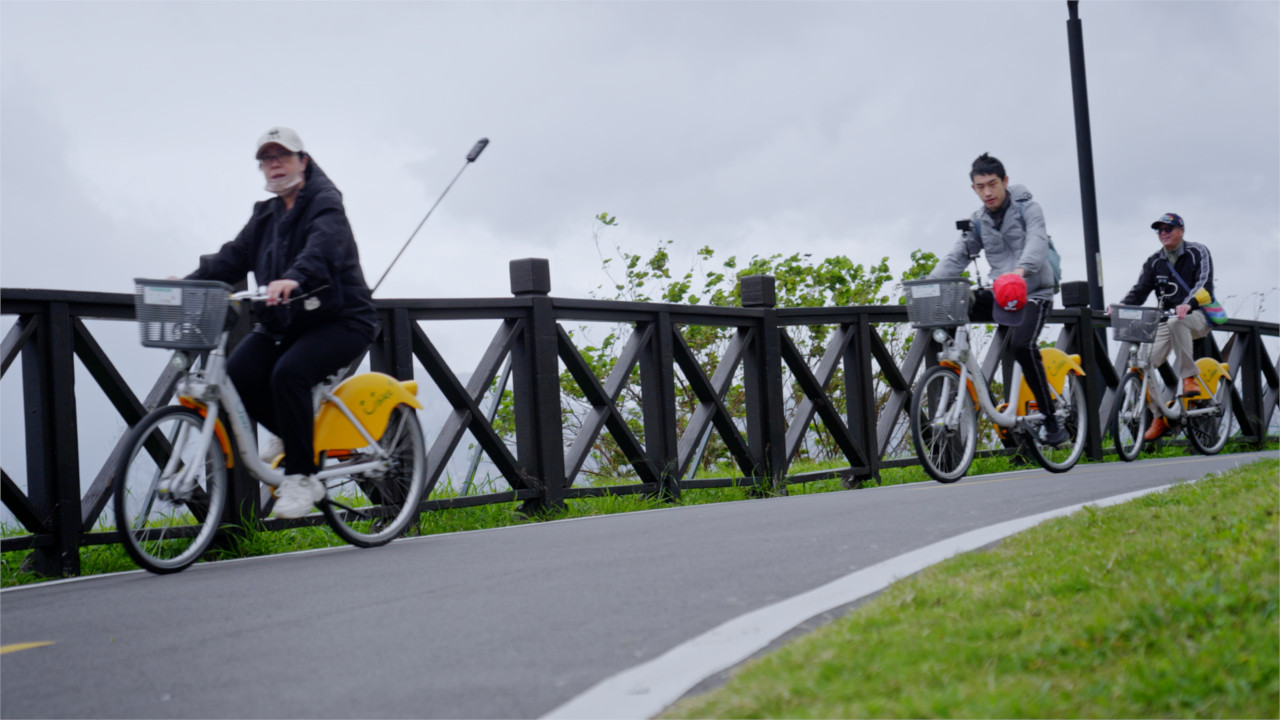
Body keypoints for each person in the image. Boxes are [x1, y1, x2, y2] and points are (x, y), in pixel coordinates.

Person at [186, 127, 379, 518]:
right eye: (267, 159)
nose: (274, 165)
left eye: (283, 156)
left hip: (343, 318)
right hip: (286, 322)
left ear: (303, 161)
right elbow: (231, 258)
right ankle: (295, 436)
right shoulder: (265, 215)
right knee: (238, 373)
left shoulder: (325, 203)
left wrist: (295, 277)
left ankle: (303, 477)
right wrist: (186, 283)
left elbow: (321, 247)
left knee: (288, 374)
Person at [931, 153, 1069, 446]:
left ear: (1005, 181)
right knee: (957, 302)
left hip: (1033, 290)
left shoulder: (1029, 209)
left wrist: (1020, 272)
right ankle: (959, 370)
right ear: (974, 189)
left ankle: (1050, 417)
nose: (987, 192)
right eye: (980, 187)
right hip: (1002, 292)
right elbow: (958, 255)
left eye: (992, 184)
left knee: (1022, 345)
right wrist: (931, 284)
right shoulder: (979, 221)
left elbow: (1037, 241)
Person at [1116, 212, 1214, 441]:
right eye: (1159, 230)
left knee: (1176, 321)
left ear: (1181, 230)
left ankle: (1189, 377)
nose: (1163, 233)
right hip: (1168, 319)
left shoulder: (1198, 251)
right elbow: (1139, 291)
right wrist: (1120, 306)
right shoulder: (1155, 261)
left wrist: (1187, 304)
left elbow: (1204, 283)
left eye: (1168, 229)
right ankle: (1160, 416)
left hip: (1198, 314)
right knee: (1144, 363)